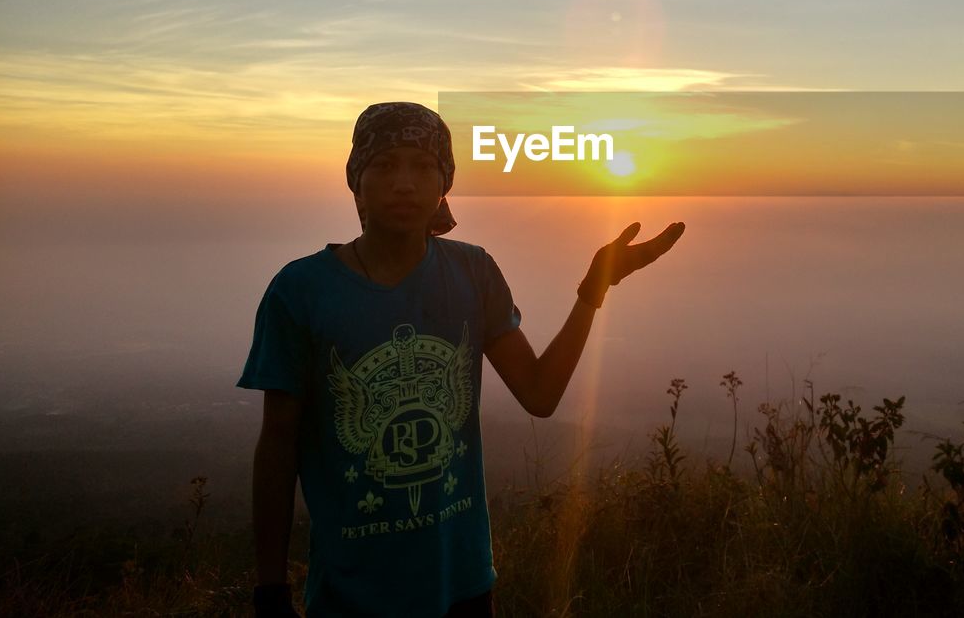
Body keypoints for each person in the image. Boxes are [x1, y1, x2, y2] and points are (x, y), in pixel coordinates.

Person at [238, 101, 686, 617]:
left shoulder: (473, 273)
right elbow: (278, 446)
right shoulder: (299, 293)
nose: (404, 182)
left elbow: (540, 394)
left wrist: (593, 290)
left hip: (464, 587)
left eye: (423, 166)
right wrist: (269, 589)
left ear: (443, 183)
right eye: (384, 165)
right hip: (352, 595)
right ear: (355, 179)